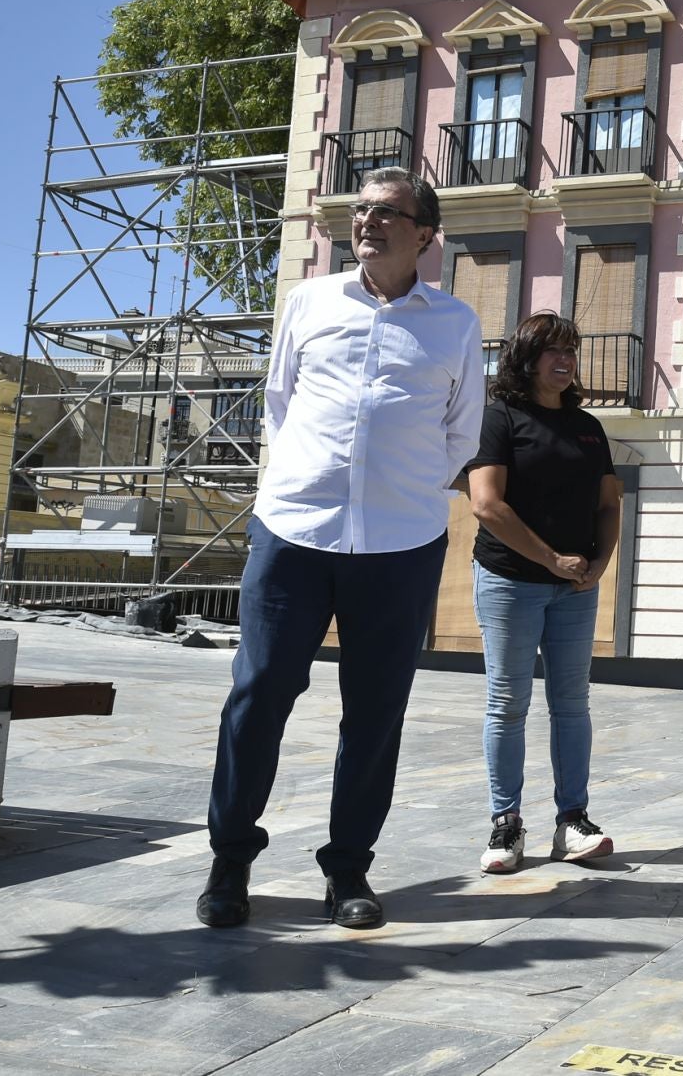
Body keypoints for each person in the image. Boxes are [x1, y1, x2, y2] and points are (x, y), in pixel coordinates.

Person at [199, 167, 483, 931]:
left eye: (387, 212)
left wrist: (407, 489)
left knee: (376, 712)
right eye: (361, 209)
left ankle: (349, 868)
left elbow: (461, 432)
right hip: (294, 530)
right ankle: (230, 861)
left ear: (425, 235)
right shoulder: (309, 302)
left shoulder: (455, 323)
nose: (367, 221)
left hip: (402, 541)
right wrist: (305, 478)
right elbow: (280, 403)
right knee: (258, 694)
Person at [468, 312, 623, 873]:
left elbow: (609, 503)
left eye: (571, 350)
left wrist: (598, 563)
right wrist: (551, 559)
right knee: (508, 704)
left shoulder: (588, 427)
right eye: (553, 350)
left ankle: (572, 821)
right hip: (511, 582)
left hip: (575, 591)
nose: (565, 360)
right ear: (526, 359)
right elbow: (486, 504)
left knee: (572, 705)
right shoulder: (499, 418)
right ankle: (505, 825)